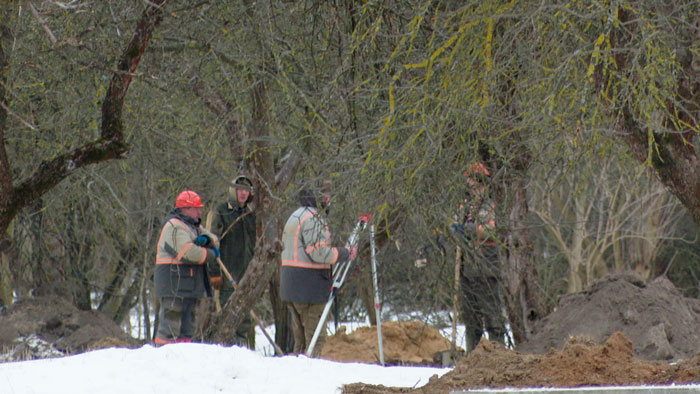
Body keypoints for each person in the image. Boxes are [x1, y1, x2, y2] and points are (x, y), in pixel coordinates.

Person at [280, 180, 358, 357]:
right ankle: (311, 375)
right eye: (326, 195)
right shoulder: (314, 219)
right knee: (316, 339)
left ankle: (297, 375)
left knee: (300, 341)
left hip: (291, 286)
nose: (328, 199)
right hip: (309, 289)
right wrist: (344, 253)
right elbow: (318, 252)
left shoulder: (297, 215)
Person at [154, 190, 219, 345]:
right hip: (173, 286)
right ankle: (163, 358)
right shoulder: (174, 227)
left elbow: (215, 240)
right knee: (170, 328)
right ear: (185, 209)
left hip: (187, 285)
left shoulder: (192, 226)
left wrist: (207, 240)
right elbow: (189, 253)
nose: (199, 211)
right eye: (196, 208)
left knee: (187, 328)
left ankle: (182, 362)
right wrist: (210, 253)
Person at [453, 163, 507, 352]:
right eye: (471, 182)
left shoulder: (493, 206)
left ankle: (500, 356)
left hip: (488, 268)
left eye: (477, 182)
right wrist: (455, 231)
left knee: (493, 318)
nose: (474, 187)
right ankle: (472, 359)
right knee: (471, 320)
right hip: (467, 271)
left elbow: (493, 231)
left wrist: (469, 229)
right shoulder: (464, 207)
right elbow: (453, 227)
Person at [204, 175, 257, 348]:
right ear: (233, 191)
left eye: (246, 191)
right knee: (226, 318)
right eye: (239, 190)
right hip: (226, 276)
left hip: (246, 276)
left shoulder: (250, 215)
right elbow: (211, 244)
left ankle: (244, 352)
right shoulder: (220, 211)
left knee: (244, 320)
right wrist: (214, 273)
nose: (243, 193)